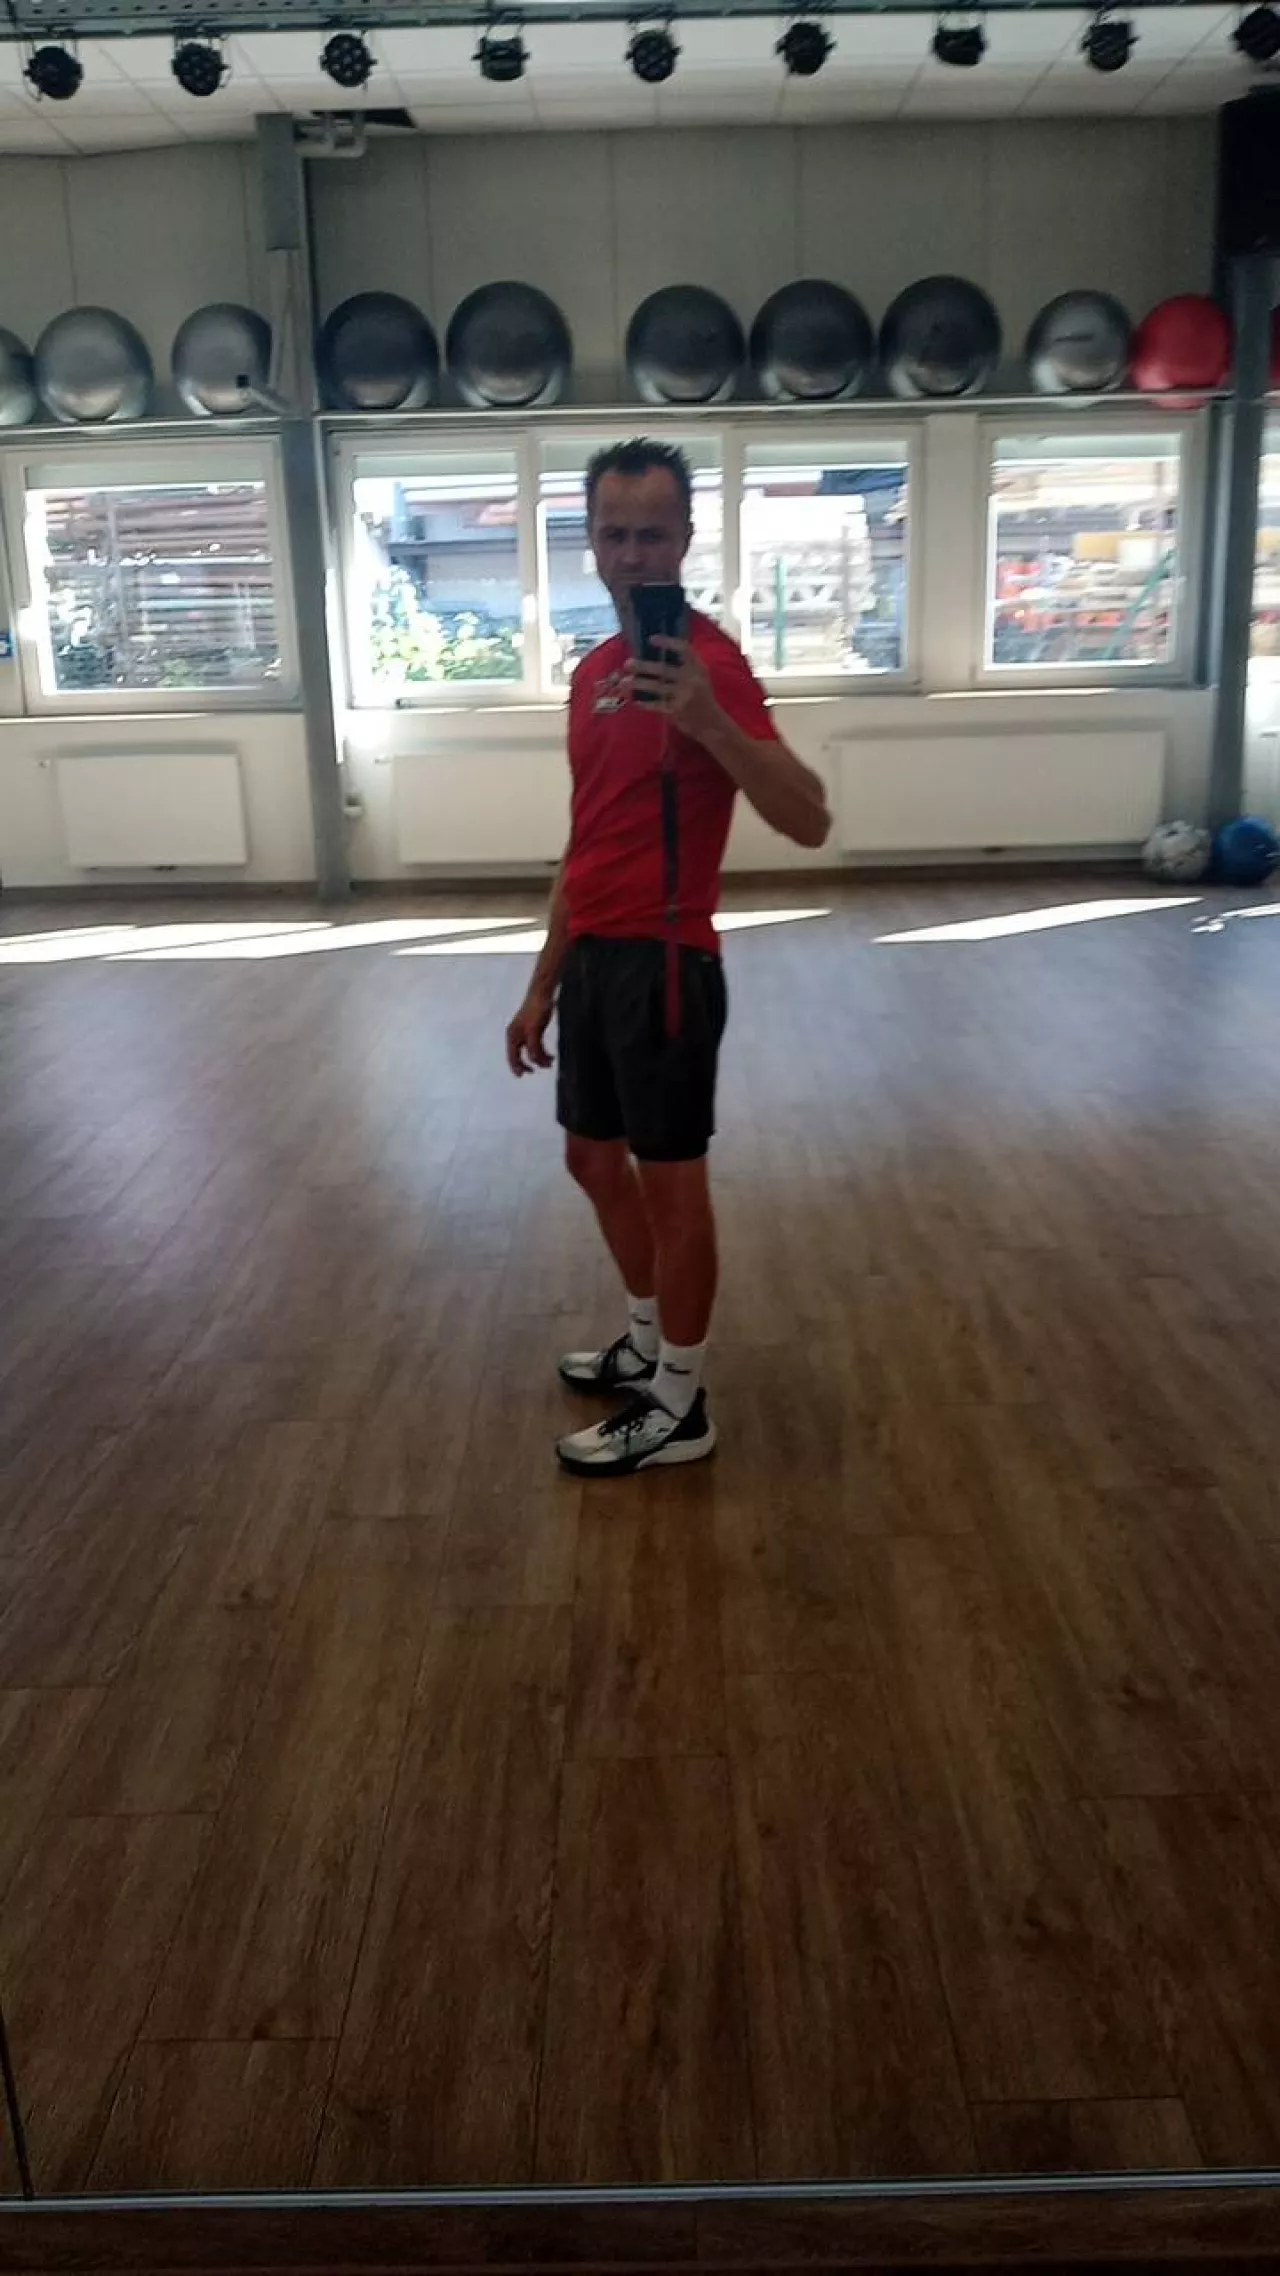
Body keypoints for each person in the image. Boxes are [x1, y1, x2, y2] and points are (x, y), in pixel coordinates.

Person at [506, 438, 830, 1476]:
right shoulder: (594, 672)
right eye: (615, 533)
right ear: (591, 541)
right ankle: (647, 1340)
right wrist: (541, 983)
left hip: (669, 964)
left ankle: (681, 1402)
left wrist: (708, 724)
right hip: (595, 959)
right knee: (591, 1159)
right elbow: (585, 838)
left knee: (672, 1182)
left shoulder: (711, 666)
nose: (633, 553)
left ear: (685, 538)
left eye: (652, 533)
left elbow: (810, 819)